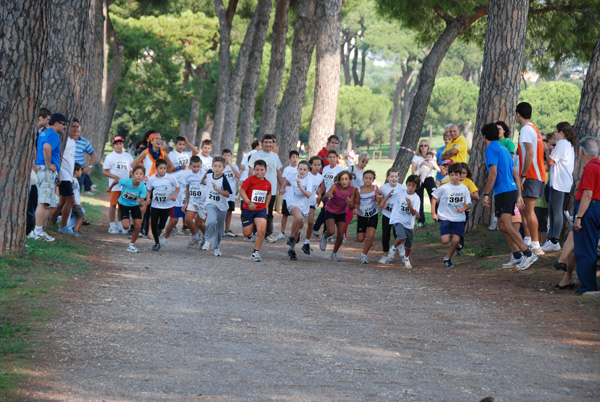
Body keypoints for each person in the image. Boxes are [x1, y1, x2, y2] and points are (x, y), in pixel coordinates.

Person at [480, 123, 537, 270]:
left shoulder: (491, 148)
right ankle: (517, 255)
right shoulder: (504, 149)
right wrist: (518, 194)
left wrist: (486, 193)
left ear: (484, 136)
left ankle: (528, 253)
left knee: (506, 224)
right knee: (502, 225)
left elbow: (493, 173)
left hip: (504, 191)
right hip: (508, 190)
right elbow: (515, 172)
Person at [30, 113, 70, 242]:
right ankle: (37, 231)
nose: (64, 127)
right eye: (63, 124)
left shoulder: (43, 133)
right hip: (47, 170)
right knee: (44, 202)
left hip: (45, 171)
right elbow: (46, 147)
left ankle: (38, 229)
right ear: (57, 123)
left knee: (52, 203)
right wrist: (48, 165)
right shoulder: (53, 134)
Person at [516, 102, 546, 255]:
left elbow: (529, 154)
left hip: (531, 174)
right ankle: (529, 240)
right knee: (526, 210)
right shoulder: (535, 128)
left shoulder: (526, 129)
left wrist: (523, 175)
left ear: (518, 114)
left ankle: (535, 244)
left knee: (529, 211)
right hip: (537, 174)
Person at [573, 136, 600, 294]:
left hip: (589, 210)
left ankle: (588, 286)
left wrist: (579, 217)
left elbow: (587, 195)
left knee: (585, 249)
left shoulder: (590, 168)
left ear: (582, 151)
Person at [431, 163, 472, 268]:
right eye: (452, 175)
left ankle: (447, 258)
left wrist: (463, 209)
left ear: (460, 175)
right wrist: (433, 213)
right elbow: (434, 197)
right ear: (449, 175)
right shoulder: (445, 187)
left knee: (456, 240)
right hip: (445, 216)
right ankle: (449, 235)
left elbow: (469, 203)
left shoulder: (464, 188)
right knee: (445, 241)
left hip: (459, 217)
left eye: (456, 175)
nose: (454, 177)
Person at [542, 122, 575, 252]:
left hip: (559, 182)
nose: (554, 134)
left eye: (556, 131)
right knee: (552, 210)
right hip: (561, 181)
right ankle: (551, 238)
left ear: (561, 132)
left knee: (556, 211)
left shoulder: (562, 143)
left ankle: (554, 240)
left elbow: (550, 162)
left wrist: (546, 150)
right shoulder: (568, 144)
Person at [248, 135, 283, 243]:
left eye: (270, 142)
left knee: (269, 211)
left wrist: (282, 185)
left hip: (270, 189)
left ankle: (268, 234)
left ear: (273, 144)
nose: (268, 144)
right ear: (262, 143)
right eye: (266, 142)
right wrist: (250, 184)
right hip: (258, 189)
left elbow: (278, 172)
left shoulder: (275, 156)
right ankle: (255, 233)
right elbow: (251, 170)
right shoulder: (256, 155)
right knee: (256, 211)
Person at [106, 165, 147, 253]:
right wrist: (110, 188)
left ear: (144, 177)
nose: (138, 176)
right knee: (126, 226)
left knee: (138, 226)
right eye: (136, 173)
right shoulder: (127, 181)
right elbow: (117, 181)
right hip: (123, 204)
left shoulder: (143, 186)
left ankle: (131, 245)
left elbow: (142, 198)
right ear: (132, 174)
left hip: (134, 205)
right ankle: (127, 217)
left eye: (141, 174)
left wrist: (141, 202)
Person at [319, 171, 359, 261]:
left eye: (346, 179)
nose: (344, 181)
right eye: (342, 179)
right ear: (339, 180)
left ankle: (334, 254)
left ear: (349, 180)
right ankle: (324, 237)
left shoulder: (352, 190)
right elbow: (324, 199)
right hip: (330, 210)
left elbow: (352, 207)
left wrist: (350, 203)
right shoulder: (335, 187)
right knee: (331, 231)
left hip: (341, 212)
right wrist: (327, 195)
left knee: (341, 235)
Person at [49, 118, 79, 234]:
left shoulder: (73, 142)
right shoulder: (64, 141)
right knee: (71, 200)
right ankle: (63, 226)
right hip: (63, 174)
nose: (75, 129)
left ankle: (50, 222)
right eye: (73, 126)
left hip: (68, 175)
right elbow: (59, 157)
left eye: (77, 127)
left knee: (62, 202)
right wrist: (59, 174)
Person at [240, 160, 272, 262]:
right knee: (247, 233)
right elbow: (242, 191)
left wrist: (266, 205)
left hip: (260, 210)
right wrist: (249, 202)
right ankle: (252, 226)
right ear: (254, 170)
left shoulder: (267, 183)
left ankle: (255, 252)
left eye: (261, 170)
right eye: (257, 170)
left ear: (266, 171)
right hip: (248, 209)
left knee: (262, 231)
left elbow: (269, 194)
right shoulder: (249, 180)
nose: (259, 172)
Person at [280, 160, 313, 261]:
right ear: (297, 169)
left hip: (303, 205)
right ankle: (291, 237)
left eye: (304, 169)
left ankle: (292, 249)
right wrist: (282, 188)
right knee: (297, 217)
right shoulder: (292, 175)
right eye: (300, 169)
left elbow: (308, 195)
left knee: (299, 225)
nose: (302, 171)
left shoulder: (309, 180)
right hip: (292, 202)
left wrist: (300, 187)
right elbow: (285, 181)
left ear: (308, 171)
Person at [387, 175, 421, 268]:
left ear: (416, 187)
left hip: (409, 223)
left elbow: (414, 213)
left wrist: (409, 205)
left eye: (413, 186)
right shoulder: (400, 192)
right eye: (409, 185)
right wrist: (383, 200)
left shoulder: (416, 198)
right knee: (401, 236)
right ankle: (393, 249)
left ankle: (406, 258)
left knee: (409, 246)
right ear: (406, 184)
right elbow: (390, 193)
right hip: (398, 219)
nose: (410, 188)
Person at [146, 159, 180, 251]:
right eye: (161, 168)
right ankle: (157, 243)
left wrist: (174, 195)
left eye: (164, 168)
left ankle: (160, 230)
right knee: (153, 223)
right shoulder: (152, 178)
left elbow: (177, 187)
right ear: (156, 168)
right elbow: (148, 190)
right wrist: (148, 198)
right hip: (155, 205)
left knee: (161, 225)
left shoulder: (170, 178)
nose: (163, 170)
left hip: (167, 205)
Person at [27, 107, 51, 236]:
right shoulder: (33, 130)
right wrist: (33, 163)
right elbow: (31, 148)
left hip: (35, 166)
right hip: (32, 169)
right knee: (32, 199)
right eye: (47, 119)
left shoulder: (38, 131)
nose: (48, 122)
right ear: (40, 118)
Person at [201, 156, 232, 256]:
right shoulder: (210, 172)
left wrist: (217, 189)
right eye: (215, 166)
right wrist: (203, 181)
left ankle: (216, 247)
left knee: (219, 229)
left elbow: (227, 194)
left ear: (224, 168)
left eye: (219, 166)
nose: (217, 168)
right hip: (210, 203)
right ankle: (207, 240)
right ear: (212, 166)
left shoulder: (224, 179)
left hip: (222, 206)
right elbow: (203, 179)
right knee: (211, 221)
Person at [102, 135, 133, 234]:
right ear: (113, 145)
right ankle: (112, 225)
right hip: (115, 185)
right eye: (117, 144)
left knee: (122, 205)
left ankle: (120, 224)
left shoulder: (128, 156)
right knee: (112, 204)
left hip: (125, 185)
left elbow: (131, 171)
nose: (119, 146)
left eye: (120, 144)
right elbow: (104, 171)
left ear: (123, 144)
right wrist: (114, 177)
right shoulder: (110, 156)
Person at [312, 150, 346, 237]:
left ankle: (323, 231)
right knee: (325, 211)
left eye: (334, 157)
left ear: (337, 158)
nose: (332, 159)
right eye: (330, 157)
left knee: (327, 211)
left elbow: (343, 183)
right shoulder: (325, 168)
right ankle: (320, 230)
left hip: (336, 196)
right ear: (327, 158)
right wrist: (319, 194)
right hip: (327, 195)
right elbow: (323, 182)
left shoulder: (340, 169)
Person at [354, 170, 382, 264]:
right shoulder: (359, 189)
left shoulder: (375, 188)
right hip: (362, 216)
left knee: (370, 236)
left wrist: (379, 195)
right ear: (363, 179)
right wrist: (356, 209)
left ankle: (364, 255)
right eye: (366, 178)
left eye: (370, 178)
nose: (368, 180)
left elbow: (378, 201)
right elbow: (357, 202)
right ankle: (357, 233)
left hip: (373, 214)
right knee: (360, 239)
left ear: (373, 180)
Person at [378, 168, 405, 264]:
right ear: (387, 177)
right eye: (392, 176)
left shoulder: (402, 188)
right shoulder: (383, 188)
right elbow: (380, 202)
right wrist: (384, 199)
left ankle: (401, 249)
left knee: (397, 234)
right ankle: (385, 254)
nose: (394, 178)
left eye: (396, 177)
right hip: (386, 214)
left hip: (397, 216)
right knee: (385, 235)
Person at [181, 156, 207, 248]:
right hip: (192, 201)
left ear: (201, 166)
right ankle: (195, 236)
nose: (196, 169)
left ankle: (206, 237)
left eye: (198, 166)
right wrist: (186, 202)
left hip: (202, 202)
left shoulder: (205, 173)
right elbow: (187, 189)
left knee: (199, 223)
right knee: (188, 219)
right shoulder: (187, 175)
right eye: (194, 167)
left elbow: (210, 187)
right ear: (190, 166)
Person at [412, 139, 437, 227]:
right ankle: (421, 221)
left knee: (434, 197)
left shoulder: (432, 156)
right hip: (419, 179)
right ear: (419, 147)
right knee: (419, 199)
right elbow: (414, 169)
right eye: (421, 145)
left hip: (429, 179)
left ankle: (437, 218)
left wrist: (423, 163)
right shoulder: (416, 157)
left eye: (425, 145)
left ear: (428, 147)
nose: (423, 147)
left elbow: (434, 166)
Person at [302, 156, 324, 255]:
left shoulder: (320, 177)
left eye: (318, 165)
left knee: (311, 222)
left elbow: (320, 187)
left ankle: (306, 242)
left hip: (311, 201)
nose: (317, 167)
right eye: (315, 165)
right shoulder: (306, 175)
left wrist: (319, 195)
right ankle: (296, 234)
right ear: (310, 165)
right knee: (300, 222)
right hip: (302, 201)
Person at [277, 150, 300, 241]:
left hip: (297, 196)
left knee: (297, 216)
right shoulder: (287, 169)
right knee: (285, 214)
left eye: (296, 157)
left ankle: (295, 232)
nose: (295, 159)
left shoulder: (300, 168)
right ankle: (282, 232)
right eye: (293, 157)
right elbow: (285, 181)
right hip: (288, 196)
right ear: (289, 158)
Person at [72, 119, 97, 194]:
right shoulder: (66, 140)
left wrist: (89, 166)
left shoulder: (84, 142)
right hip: (67, 171)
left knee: (77, 192)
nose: (76, 133)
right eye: (75, 131)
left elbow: (93, 154)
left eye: (78, 132)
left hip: (79, 172)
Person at [69, 163, 87, 237]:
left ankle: (73, 229)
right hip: (75, 203)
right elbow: (72, 192)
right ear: (75, 171)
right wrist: (75, 201)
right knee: (81, 217)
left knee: (79, 215)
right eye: (80, 170)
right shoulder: (73, 180)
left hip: (76, 203)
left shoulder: (75, 180)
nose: (81, 172)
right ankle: (76, 231)